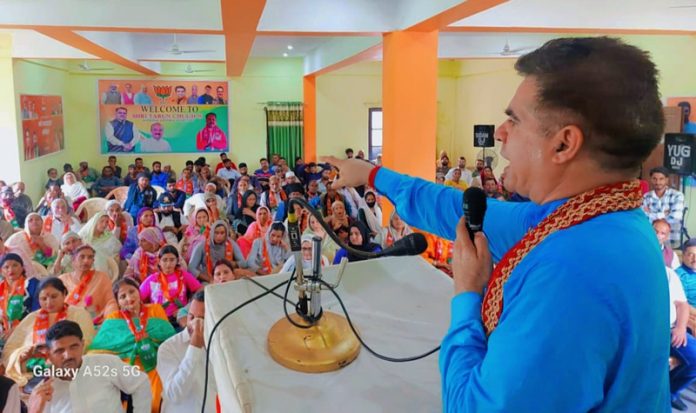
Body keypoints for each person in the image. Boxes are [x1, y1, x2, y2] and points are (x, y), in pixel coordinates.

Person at [324, 37, 670, 411]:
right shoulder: (596, 218)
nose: (501, 133)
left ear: (563, 144)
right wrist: (373, 175)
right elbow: (452, 207)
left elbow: (473, 406)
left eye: (515, 120)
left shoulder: (570, 273)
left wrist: (467, 294)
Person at [89, 278, 175, 413]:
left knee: (154, 400)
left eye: (132, 292)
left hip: (153, 361)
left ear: (139, 292)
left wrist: (150, 340)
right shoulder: (113, 318)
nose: (129, 298)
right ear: (118, 301)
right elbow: (97, 350)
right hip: (125, 365)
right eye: (122, 296)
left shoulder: (155, 309)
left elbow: (168, 338)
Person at [27, 320, 152, 412]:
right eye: (59, 351)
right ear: (49, 355)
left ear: (82, 345)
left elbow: (141, 383)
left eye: (74, 346)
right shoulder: (43, 392)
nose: (68, 355)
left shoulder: (105, 364)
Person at [3, 277, 94, 389]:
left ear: (64, 293)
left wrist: (56, 355)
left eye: (54, 296)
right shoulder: (31, 318)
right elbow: (9, 349)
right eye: (43, 298)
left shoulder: (79, 314)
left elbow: (86, 343)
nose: (49, 302)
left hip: (68, 369)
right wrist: (22, 355)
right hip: (32, 373)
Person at [157, 289, 218, 413]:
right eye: (191, 316)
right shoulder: (168, 348)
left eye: (202, 318)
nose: (193, 323)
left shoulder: (221, 344)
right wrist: (194, 348)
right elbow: (175, 395)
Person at [140, 246, 201, 322]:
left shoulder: (184, 276)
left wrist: (187, 308)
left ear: (177, 261)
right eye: (164, 260)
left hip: (180, 317)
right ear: (159, 261)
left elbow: (200, 290)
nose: (168, 264)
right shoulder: (151, 279)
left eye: (172, 260)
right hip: (158, 319)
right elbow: (138, 298)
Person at [59, 245, 118, 323]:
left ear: (93, 261)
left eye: (90, 257)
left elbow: (110, 302)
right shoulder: (62, 280)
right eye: (82, 257)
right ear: (73, 260)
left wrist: (110, 320)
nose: (86, 260)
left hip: (95, 322)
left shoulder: (101, 278)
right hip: (67, 323)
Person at [666, 265, 696, 410]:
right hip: (644, 332)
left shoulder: (669, 274)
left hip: (671, 329)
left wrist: (680, 328)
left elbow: (682, 305)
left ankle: (670, 392)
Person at [0, 253, 40, 340]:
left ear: (22, 268)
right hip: (4, 334)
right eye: (6, 267)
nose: (11, 269)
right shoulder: (1, 288)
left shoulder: (31, 284)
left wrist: (17, 329)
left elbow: (37, 312)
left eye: (15, 265)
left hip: (29, 331)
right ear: (1, 271)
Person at [643, 166, 685, 248]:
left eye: (661, 179)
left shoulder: (677, 195)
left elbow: (676, 217)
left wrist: (651, 214)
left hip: (671, 239)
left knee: (670, 260)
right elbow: (643, 218)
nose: (657, 182)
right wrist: (663, 214)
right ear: (651, 179)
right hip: (652, 239)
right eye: (654, 179)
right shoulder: (646, 197)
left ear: (666, 179)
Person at [676, 239, 696, 307]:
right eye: (691, 255)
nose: (695, 259)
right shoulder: (678, 276)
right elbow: (681, 305)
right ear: (683, 256)